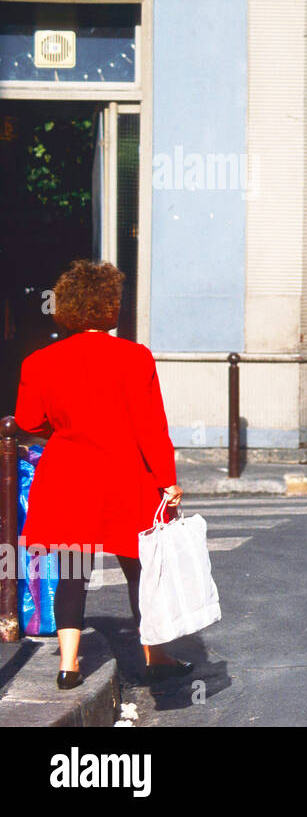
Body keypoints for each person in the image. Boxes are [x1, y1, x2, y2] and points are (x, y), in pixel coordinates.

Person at [15, 260, 191, 690]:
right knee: (141, 570)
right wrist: (167, 480)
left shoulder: (40, 361)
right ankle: (156, 654)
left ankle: (69, 666)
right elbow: (152, 428)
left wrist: (63, 430)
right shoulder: (135, 357)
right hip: (126, 478)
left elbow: (27, 420)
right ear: (110, 306)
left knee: (72, 572)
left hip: (66, 477)